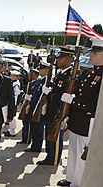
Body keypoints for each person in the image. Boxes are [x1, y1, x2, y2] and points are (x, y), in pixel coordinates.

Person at [57, 38, 103, 186]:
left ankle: (78, 183)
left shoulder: (100, 76)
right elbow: (75, 90)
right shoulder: (88, 73)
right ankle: (70, 178)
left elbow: (95, 105)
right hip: (77, 120)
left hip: (89, 122)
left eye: (95, 53)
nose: (91, 56)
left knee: (83, 155)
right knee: (73, 151)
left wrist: (73, 101)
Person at [37, 47, 74, 165]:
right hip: (51, 111)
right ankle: (49, 156)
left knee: (56, 137)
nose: (58, 60)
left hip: (58, 112)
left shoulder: (70, 76)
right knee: (49, 136)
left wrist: (62, 116)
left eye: (61, 58)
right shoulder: (60, 74)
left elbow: (64, 97)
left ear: (69, 59)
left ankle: (54, 159)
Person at [25, 61, 50, 152]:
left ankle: (37, 147)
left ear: (47, 70)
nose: (39, 70)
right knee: (34, 128)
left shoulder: (47, 81)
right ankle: (34, 145)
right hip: (34, 107)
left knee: (38, 129)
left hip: (39, 109)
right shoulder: (39, 81)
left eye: (41, 69)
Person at [18, 69, 39, 144]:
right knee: (25, 123)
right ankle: (24, 138)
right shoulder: (30, 83)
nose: (28, 75)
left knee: (28, 124)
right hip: (26, 105)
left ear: (35, 75)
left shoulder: (36, 83)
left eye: (31, 74)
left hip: (31, 107)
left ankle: (27, 139)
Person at [4, 69, 21, 137]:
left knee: (12, 117)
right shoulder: (12, 83)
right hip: (11, 103)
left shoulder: (16, 85)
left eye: (12, 75)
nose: (11, 76)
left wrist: (13, 105)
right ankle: (11, 130)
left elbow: (16, 95)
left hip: (13, 103)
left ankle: (12, 132)